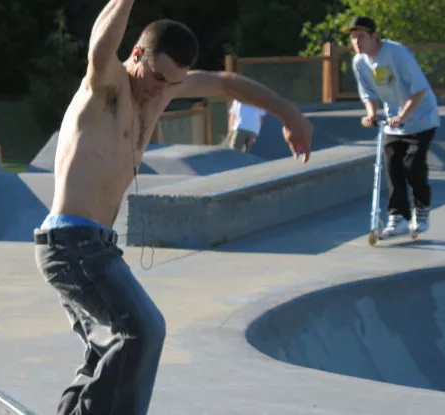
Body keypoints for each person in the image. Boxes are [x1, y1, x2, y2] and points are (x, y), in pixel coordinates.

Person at [33, 1, 313, 414]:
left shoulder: (165, 87)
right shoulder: (106, 86)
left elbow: (228, 83)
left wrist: (291, 114)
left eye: (172, 83)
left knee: (104, 351)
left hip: (96, 246)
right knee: (143, 331)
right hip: (70, 243)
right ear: (136, 56)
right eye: (156, 76)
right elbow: (98, 50)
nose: (159, 90)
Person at [345, 16, 440, 238]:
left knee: (412, 165)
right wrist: (370, 114)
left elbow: (419, 90)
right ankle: (397, 217)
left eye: (361, 37)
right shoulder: (359, 62)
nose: (356, 43)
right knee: (391, 166)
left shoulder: (397, 53)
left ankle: (421, 209)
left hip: (421, 116)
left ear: (374, 36)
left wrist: (403, 116)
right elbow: (368, 93)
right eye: (353, 38)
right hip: (393, 122)